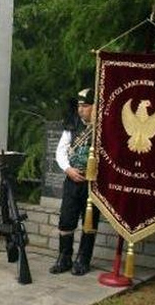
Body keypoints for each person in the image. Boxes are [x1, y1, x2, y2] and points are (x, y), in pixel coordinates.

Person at [50, 87, 101, 276]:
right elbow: (61, 151)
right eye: (79, 105)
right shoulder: (73, 124)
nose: (81, 110)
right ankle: (64, 258)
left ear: (96, 107)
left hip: (93, 183)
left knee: (89, 222)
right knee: (66, 219)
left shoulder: (103, 128)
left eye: (86, 106)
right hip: (72, 180)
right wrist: (68, 169)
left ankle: (83, 259)